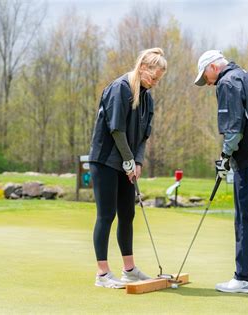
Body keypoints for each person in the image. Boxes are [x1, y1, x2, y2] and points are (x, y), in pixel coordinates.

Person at [195, 50, 248, 294]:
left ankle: (243, 277)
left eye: (206, 77)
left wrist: (224, 157)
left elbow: (233, 129)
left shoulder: (227, 82)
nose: (209, 83)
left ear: (214, 67)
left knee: (245, 217)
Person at [88, 48, 167, 288]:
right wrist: (129, 160)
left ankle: (129, 270)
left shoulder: (147, 98)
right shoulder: (120, 88)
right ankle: (102, 275)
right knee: (106, 214)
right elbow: (117, 129)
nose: (154, 83)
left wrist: (138, 162)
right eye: (153, 77)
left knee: (128, 213)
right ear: (143, 68)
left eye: (158, 80)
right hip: (105, 160)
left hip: (127, 162)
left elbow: (143, 136)